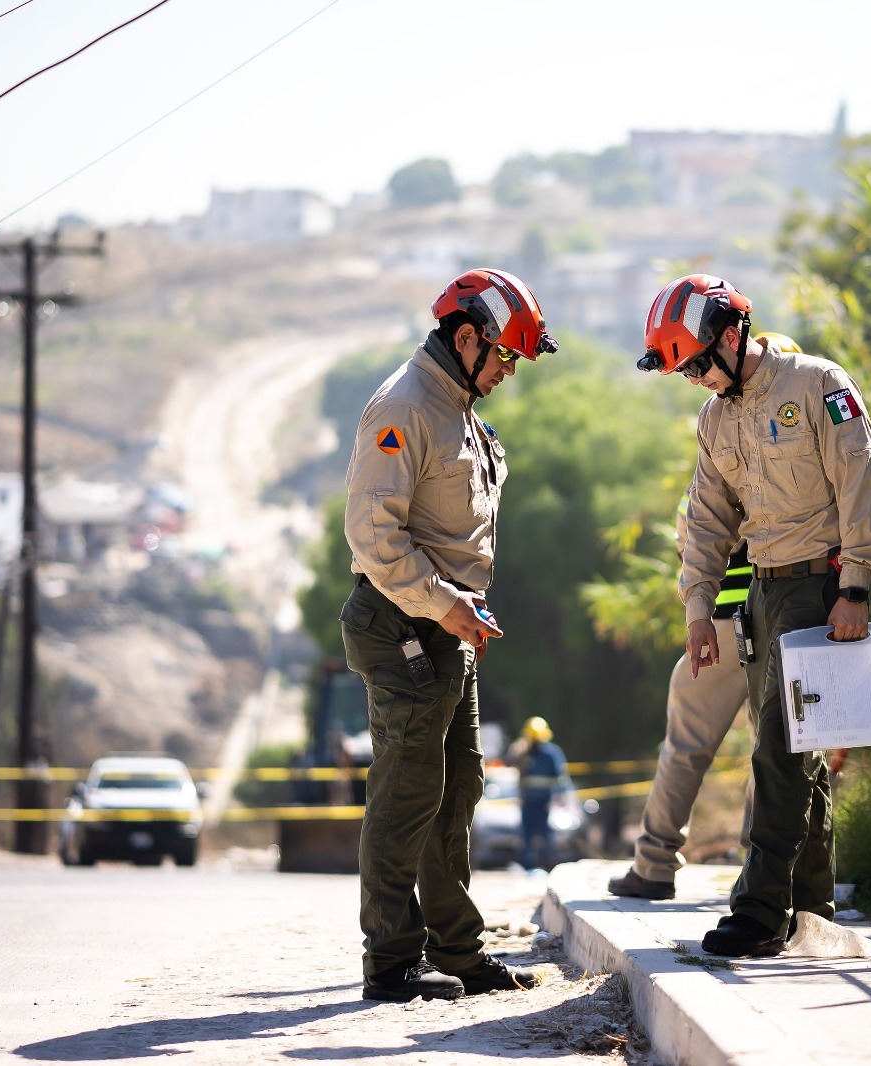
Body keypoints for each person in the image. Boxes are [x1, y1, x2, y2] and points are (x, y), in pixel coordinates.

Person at [636, 276, 871, 957]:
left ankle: (756, 911)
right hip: (761, 600)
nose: (693, 378)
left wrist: (857, 588)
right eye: (682, 370)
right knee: (793, 758)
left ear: (730, 335)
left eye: (695, 362)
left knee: (780, 754)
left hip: (821, 590)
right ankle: (812, 910)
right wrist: (699, 609)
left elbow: (865, 481)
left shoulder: (815, 384)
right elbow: (708, 521)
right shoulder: (715, 419)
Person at [340, 267, 557, 1003]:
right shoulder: (405, 405)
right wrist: (442, 603)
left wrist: (457, 612)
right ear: (467, 338)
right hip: (402, 622)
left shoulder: (458, 404)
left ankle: (458, 952)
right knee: (409, 794)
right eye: (505, 357)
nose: (507, 373)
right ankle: (392, 961)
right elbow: (372, 534)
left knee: (458, 789)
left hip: (445, 630)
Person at [606, 333, 802, 902]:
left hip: (720, 627)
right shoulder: (782, 471)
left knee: (687, 747)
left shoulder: (713, 474)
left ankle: (654, 863)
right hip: (769, 622)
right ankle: (758, 867)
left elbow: (691, 552)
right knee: (772, 748)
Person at [508, 716, 569, 870]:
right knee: (527, 833)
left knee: (545, 833)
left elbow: (560, 776)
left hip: (544, 801)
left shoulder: (551, 753)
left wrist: (561, 796)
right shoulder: (524, 753)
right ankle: (527, 865)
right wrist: (516, 751)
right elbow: (509, 761)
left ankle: (548, 864)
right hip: (528, 800)